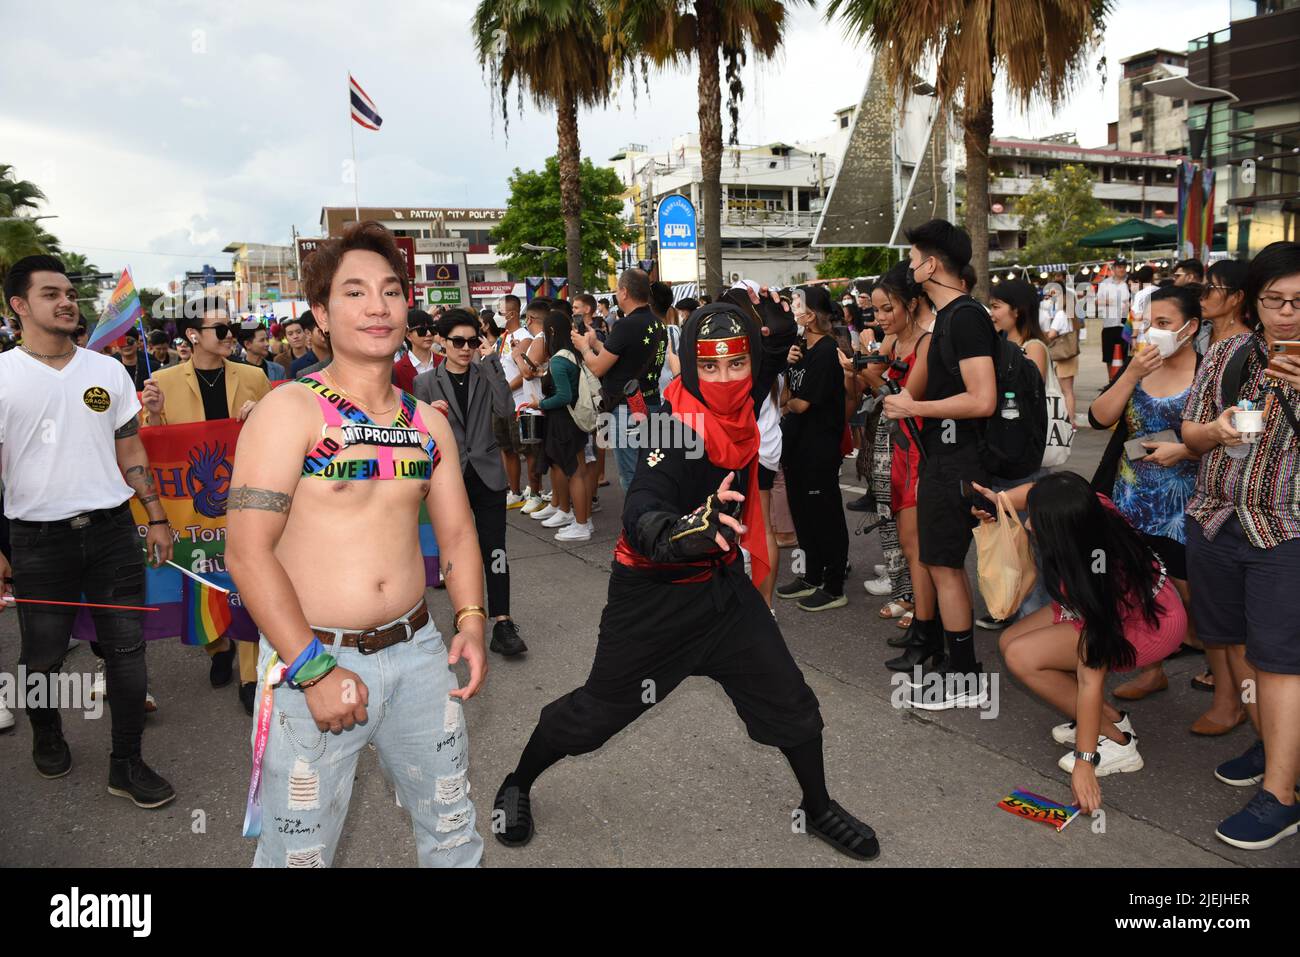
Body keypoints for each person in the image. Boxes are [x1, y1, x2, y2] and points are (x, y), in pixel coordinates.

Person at [490, 304, 880, 861]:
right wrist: (681, 530)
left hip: (721, 592)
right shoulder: (668, 427)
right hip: (652, 599)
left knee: (792, 703)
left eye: (736, 364)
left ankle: (817, 807)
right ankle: (518, 781)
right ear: (692, 369)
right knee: (593, 719)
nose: (725, 379)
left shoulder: (750, 417)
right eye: (710, 367)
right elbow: (643, 505)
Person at [225, 221, 487, 868]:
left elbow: (456, 531)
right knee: (299, 856)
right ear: (321, 312)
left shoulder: (426, 423)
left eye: (391, 290)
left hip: (421, 653)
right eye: (354, 292)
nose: (377, 306)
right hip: (312, 658)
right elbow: (247, 552)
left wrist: (474, 618)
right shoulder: (290, 410)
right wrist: (311, 668)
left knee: (454, 834)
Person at [0, 254, 176, 807]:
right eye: (50, 293)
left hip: (111, 533)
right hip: (36, 538)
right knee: (43, 655)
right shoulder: (4, 375)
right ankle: (47, 731)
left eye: (69, 292)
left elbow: (130, 446)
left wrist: (156, 516)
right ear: (19, 306)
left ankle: (126, 763)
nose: (67, 301)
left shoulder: (107, 372)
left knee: (126, 651)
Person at [1181, 241, 1300, 851]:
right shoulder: (1230, 353)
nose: (1286, 313)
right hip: (1218, 519)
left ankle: (1282, 794)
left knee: (1279, 660)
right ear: (1255, 303)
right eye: (1274, 300)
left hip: (1286, 531)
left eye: (1299, 302)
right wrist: (1213, 429)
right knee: (1237, 645)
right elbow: (1191, 430)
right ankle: (1275, 739)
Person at [981, 473, 1186, 808]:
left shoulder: (1098, 577)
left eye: (1038, 519)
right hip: (1121, 605)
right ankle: (1114, 720)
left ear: (1061, 527)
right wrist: (997, 501)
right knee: (1011, 640)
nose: (1030, 525)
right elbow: (1039, 491)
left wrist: (1084, 762)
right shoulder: (1087, 506)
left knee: (1021, 656)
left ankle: (1119, 743)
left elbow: (1091, 677)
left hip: (1148, 626)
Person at [880, 219, 997, 709]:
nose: (909, 267)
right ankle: (952, 660)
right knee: (937, 561)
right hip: (940, 460)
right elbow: (914, 387)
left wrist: (916, 409)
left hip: (958, 462)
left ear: (932, 264)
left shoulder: (967, 317)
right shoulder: (946, 320)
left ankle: (965, 673)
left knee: (945, 566)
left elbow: (983, 399)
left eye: (913, 258)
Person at [142, 297, 271, 714]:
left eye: (230, 327)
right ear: (193, 335)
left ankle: (250, 675)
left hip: (246, 495)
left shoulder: (252, 376)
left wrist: (263, 413)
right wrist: (154, 415)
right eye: (219, 329)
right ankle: (217, 647)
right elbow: (155, 445)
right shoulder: (163, 380)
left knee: (247, 576)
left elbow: (279, 429)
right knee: (203, 575)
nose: (229, 335)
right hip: (192, 503)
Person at [1088, 286, 1206, 716]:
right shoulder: (1137, 367)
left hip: (1185, 505)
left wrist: (1188, 450)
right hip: (1131, 497)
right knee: (1139, 589)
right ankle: (1152, 668)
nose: (1153, 333)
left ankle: (1225, 674)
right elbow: (1100, 418)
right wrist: (1132, 374)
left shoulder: (1209, 373)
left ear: (1191, 328)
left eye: (1164, 324)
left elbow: (1227, 439)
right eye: (1148, 323)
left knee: (1192, 594)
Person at [414, 309, 526, 657]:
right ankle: (467, 614)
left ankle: (503, 622)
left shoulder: (485, 372)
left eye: (472, 341)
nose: (466, 348)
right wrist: (429, 414)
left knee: (495, 549)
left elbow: (506, 410)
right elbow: (416, 434)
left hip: (488, 472)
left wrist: (492, 363)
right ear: (442, 343)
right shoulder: (425, 382)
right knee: (457, 550)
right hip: (449, 476)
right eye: (458, 342)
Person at [857, 265, 932, 653]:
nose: (881, 317)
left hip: (917, 446)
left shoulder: (926, 342)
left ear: (912, 304)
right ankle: (910, 598)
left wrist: (869, 371)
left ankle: (925, 616)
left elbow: (898, 396)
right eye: (877, 310)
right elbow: (871, 378)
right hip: (891, 441)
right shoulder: (894, 342)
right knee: (897, 531)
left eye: (888, 309)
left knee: (915, 539)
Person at [775, 284, 849, 612]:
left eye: (798, 305)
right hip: (795, 446)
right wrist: (788, 374)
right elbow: (783, 398)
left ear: (814, 313)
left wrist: (791, 401)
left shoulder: (827, 351)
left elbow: (801, 404)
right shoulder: (799, 349)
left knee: (825, 515)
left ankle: (834, 585)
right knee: (802, 515)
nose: (793, 310)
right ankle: (809, 575)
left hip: (819, 446)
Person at [570, 269, 667, 491]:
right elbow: (622, 357)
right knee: (650, 469)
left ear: (624, 292)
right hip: (651, 404)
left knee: (631, 475)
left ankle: (637, 523)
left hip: (627, 410)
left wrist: (584, 347)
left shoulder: (625, 325)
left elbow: (597, 367)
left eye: (617, 289)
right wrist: (595, 344)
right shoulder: (658, 323)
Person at [524, 311, 594, 542]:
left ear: (552, 332)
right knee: (580, 472)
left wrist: (540, 403)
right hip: (574, 423)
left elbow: (563, 395)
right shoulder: (570, 355)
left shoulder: (559, 359)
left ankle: (582, 525)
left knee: (574, 474)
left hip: (564, 423)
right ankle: (584, 520)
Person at [492, 294, 532, 509]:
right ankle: (514, 491)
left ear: (512, 314)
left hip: (519, 402)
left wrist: (504, 390)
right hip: (501, 402)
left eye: (500, 311)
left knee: (526, 450)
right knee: (506, 448)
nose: (497, 315)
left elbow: (524, 372)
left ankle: (535, 491)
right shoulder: (504, 337)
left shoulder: (525, 337)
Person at [1195, 259, 1252, 357]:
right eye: (1202, 288)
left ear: (1236, 297)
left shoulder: (1249, 346)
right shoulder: (1197, 332)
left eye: (1210, 288)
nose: (1202, 296)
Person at [1039, 284, 1078, 426]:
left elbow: (1052, 334)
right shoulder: (1070, 314)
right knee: (1068, 390)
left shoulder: (1061, 314)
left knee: (1066, 391)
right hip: (1070, 355)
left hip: (1064, 356)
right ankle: (1071, 419)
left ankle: (1070, 421)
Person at [393, 308, 441, 392]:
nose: (429, 334)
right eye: (422, 330)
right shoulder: (397, 370)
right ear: (408, 335)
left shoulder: (445, 363)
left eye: (432, 329)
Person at [1096, 258, 1131, 367]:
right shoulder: (1105, 283)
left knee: (1126, 356)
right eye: (1119, 267)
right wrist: (1111, 302)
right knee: (1109, 356)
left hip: (1126, 324)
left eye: (1124, 267)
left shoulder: (1130, 282)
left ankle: (1123, 380)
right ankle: (1111, 381)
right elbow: (1097, 301)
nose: (1122, 269)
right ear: (1113, 268)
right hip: (1109, 324)